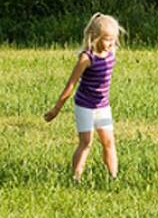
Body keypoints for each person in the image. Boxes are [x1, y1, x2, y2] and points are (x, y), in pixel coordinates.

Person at [44, 13, 125, 181]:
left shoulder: (111, 53)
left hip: (103, 106)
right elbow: (71, 84)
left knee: (109, 142)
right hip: (85, 106)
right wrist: (56, 109)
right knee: (86, 142)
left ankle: (113, 177)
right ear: (94, 37)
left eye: (113, 39)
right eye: (107, 39)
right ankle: (76, 178)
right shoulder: (87, 58)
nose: (110, 44)